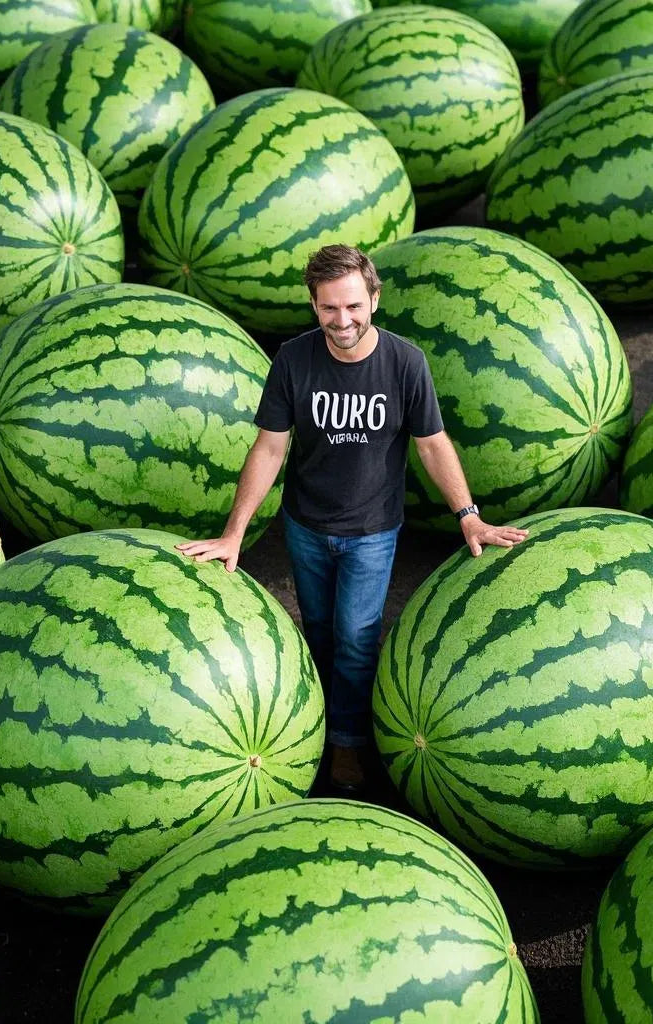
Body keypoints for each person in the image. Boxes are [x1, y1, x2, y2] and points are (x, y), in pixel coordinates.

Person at [177, 244, 528, 791]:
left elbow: (432, 445)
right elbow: (269, 448)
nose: (343, 321)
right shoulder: (293, 360)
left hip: (372, 533)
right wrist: (233, 535)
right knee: (317, 631)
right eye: (329, 309)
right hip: (306, 526)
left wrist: (469, 515)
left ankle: (347, 743)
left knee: (358, 638)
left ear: (375, 299)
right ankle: (310, 727)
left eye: (353, 307)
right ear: (314, 306)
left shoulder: (406, 363)